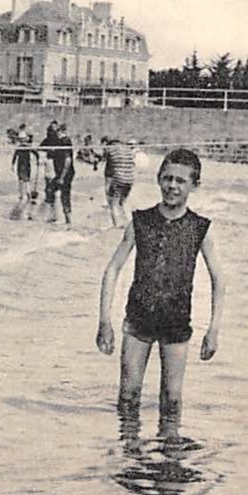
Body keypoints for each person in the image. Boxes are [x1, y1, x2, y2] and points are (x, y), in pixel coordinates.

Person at [96, 148, 226, 434]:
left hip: (176, 322)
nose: (172, 186)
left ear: (194, 185)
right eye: (167, 178)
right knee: (128, 397)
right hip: (138, 320)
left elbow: (219, 279)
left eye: (181, 181)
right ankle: (129, 455)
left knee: (172, 399)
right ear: (158, 179)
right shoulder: (140, 221)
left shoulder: (200, 228)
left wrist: (213, 330)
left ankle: (169, 461)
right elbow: (112, 269)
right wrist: (105, 321)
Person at [40, 120, 74, 224]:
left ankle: (68, 219)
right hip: (59, 172)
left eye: (56, 132)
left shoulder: (65, 141)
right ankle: (52, 215)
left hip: (66, 173)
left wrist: (62, 177)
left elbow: (68, 160)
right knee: (49, 190)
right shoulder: (57, 141)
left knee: (64, 194)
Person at [101, 135, 137, 227]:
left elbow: (108, 169)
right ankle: (130, 222)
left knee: (113, 203)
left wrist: (107, 187)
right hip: (130, 179)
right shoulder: (127, 149)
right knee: (123, 202)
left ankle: (117, 225)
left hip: (118, 179)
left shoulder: (110, 149)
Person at [9, 126, 40, 219]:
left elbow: (36, 153)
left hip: (26, 166)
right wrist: (12, 165)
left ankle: (26, 194)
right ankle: (23, 194)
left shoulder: (27, 147)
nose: (23, 142)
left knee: (25, 180)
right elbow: (15, 157)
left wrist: (38, 160)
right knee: (22, 180)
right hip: (21, 166)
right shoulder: (20, 148)